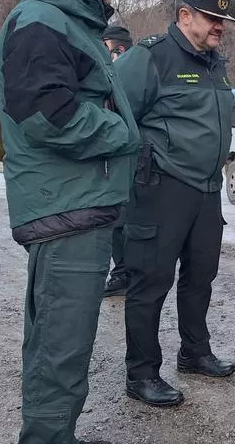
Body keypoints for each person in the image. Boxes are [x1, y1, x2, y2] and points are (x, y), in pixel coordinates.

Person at [0, 0, 139, 442]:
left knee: (61, 346)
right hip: (67, 209)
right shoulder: (43, 19)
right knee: (60, 349)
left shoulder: (65, 21)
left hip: (75, 205)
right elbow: (44, 111)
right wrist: (123, 131)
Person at [113, 0, 235, 407]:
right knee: (150, 282)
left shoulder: (215, 63)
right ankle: (142, 373)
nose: (220, 26)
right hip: (161, 188)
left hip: (207, 190)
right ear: (185, 16)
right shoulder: (150, 58)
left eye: (224, 19)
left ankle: (195, 351)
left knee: (201, 275)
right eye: (212, 18)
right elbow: (117, 120)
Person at [101, 24, 134, 298]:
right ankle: (125, 271)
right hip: (127, 157)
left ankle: (124, 273)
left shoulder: (122, 74)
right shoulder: (134, 69)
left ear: (119, 49)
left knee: (121, 221)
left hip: (128, 158)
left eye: (106, 48)